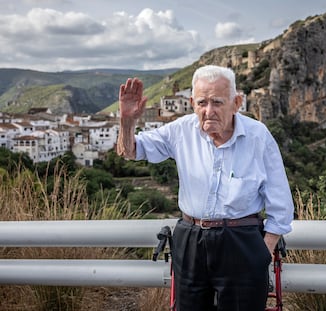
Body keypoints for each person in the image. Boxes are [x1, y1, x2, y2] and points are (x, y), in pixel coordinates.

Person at [117, 65, 294, 311]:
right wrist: (127, 122)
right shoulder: (181, 129)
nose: (208, 111)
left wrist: (263, 251)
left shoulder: (258, 136)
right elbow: (130, 150)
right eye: (201, 103)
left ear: (237, 103)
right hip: (191, 240)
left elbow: (281, 202)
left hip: (241, 241)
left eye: (217, 102)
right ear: (192, 103)